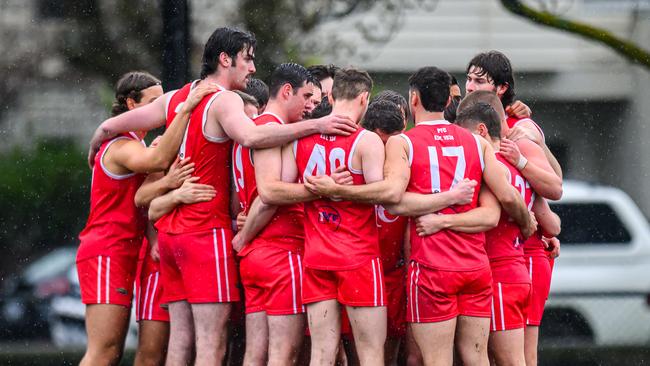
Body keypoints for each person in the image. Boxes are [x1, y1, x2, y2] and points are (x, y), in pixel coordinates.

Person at [84, 27, 358, 366]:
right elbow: (252, 137)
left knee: (180, 344)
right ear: (225, 59)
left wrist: (99, 135)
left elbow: (113, 125)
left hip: (171, 237)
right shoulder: (224, 99)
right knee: (212, 347)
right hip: (204, 232)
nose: (253, 68)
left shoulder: (176, 96)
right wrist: (317, 126)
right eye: (248, 59)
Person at [304, 66, 537, 366]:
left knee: (436, 359)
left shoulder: (406, 142)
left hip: (432, 268)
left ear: (413, 99)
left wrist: (340, 191)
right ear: (447, 102)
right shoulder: (477, 143)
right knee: (476, 357)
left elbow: (393, 200)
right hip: (474, 267)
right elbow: (506, 196)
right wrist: (527, 221)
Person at [76, 71, 216, 366]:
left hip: (124, 250)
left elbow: (146, 189)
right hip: (106, 249)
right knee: (103, 350)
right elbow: (158, 162)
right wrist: (187, 107)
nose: (161, 111)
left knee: (112, 351)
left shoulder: (134, 143)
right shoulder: (122, 144)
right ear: (131, 104)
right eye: (154, 102)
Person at [465, 51, 563, 366]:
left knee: (518, 354)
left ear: (502, 87)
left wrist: (536, 225)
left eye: (479, 80)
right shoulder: (469, 122)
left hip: (523, 253)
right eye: (468, 78)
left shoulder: (520, 128)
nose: (469, 86)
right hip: (497, 257)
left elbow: (554, 187)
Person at [230, 63, 317, 366]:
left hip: (256, 257)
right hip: (280, 252)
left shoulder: (250, 130)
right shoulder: (271, 130)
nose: (310, 106)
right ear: (286, 91)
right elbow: (269, 195)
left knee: (255, 353)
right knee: (284, 354)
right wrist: (321, 190)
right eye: (306, 96)